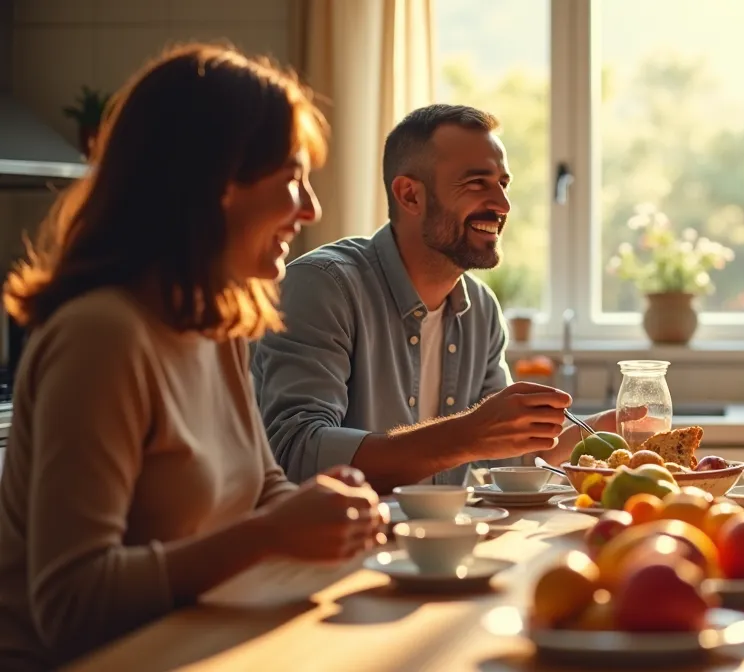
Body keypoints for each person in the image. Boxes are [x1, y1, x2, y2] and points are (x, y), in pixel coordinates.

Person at [0, 45, 385, 670]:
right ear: (218, 183)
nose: (310, 209)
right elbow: (70, 604)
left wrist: (322, 507)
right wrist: (274, 533)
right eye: (292, 177)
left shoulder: (216, 323)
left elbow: (261, 488)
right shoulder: (102, 336)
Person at [252, 104, 617, 493]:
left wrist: (605, 429)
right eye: (477, 183)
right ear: (410, 195)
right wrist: (467, 435)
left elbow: (506, 453)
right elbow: (296, 452)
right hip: (339, 533)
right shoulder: (323, 286)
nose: (503, 205)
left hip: (439, 533)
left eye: (503, 184)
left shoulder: (481, 310)